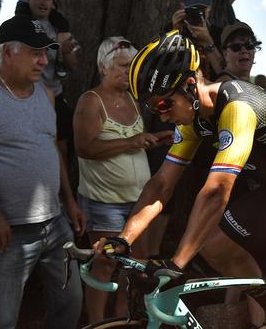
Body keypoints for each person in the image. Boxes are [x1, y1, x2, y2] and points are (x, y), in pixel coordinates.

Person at [96, 30, 266, 323]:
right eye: (152, 108)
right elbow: (161, 184)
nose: (161, 116)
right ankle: (264, 298)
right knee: (214, 244)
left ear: (189, 86)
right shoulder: (192, 120)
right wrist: (124, 239)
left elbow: (217, 189)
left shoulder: (238, 107)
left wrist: (176, 264)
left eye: (163, 104)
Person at [0, 15, 86, 329]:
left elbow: (52, 150)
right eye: (35, 52)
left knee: (70, 306)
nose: (43, 60)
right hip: (6, 231)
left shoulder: (47, 94)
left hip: (54, 223)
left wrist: (70, 201)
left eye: (46, 53)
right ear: (7, 53)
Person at [74, 36, 171, 322]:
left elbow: (133, 143)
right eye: (122, 66)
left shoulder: (132, 98)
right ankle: (97, 322)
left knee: (136, 263)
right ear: (103, 67)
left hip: (138, 200)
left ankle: (123, 316)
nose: (129, 72)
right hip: (104, 202)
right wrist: (132, 142)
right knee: (104, 264)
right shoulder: (91, 101)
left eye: (132, 66)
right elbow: (84, 148)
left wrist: (150, 141)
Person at [27, 0, 78, 160]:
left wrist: (66, 51)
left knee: (62, 147)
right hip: (28, 97)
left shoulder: (60, 28)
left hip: (55, 95)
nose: (43, 2)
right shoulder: (20, 26)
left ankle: (61, 185)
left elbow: (73, 66)